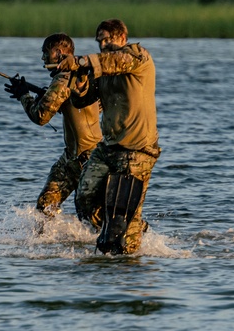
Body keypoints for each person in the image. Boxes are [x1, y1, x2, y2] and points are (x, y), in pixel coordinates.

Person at [58, 18, 160, 255]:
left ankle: (129, 252)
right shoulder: (102, 68)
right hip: (109, 148)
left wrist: (82, 61)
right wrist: (79, 79)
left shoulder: (137, 56)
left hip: (137, 150)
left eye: (107, 39)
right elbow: (83, 100)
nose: (103, 44)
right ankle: (116, 233)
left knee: (123, 212)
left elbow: (115, 61)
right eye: (99, 41)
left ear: (122, 38)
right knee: (84, 200)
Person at [5, 33, 102, 222]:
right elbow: (73, 107)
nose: (43, 59)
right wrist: (40, 94)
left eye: (45, 54)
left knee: (94, 217)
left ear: (58, 53)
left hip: (90, 160)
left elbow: (41, 116)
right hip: (71, 159)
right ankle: (47, 245)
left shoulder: (64, 78)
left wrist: (24, 96)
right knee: (45, 205)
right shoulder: (74, 76)